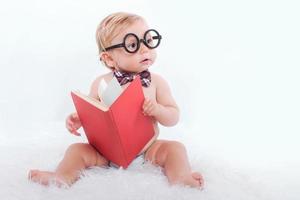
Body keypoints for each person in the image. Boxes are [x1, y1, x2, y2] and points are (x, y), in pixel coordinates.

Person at [28, 12, 204, 189]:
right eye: (133, 45)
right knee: (76, 150)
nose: (145, 49)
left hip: (147, 151)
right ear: (109, 59)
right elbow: (92, 111)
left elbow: (173, 117)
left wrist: (157, 110)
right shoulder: (102, 83)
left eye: (148, 41)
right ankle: (62, 177)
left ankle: (181, 177)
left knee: (175, 148)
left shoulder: (156, 82)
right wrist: (79, 118)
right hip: (105, 153)